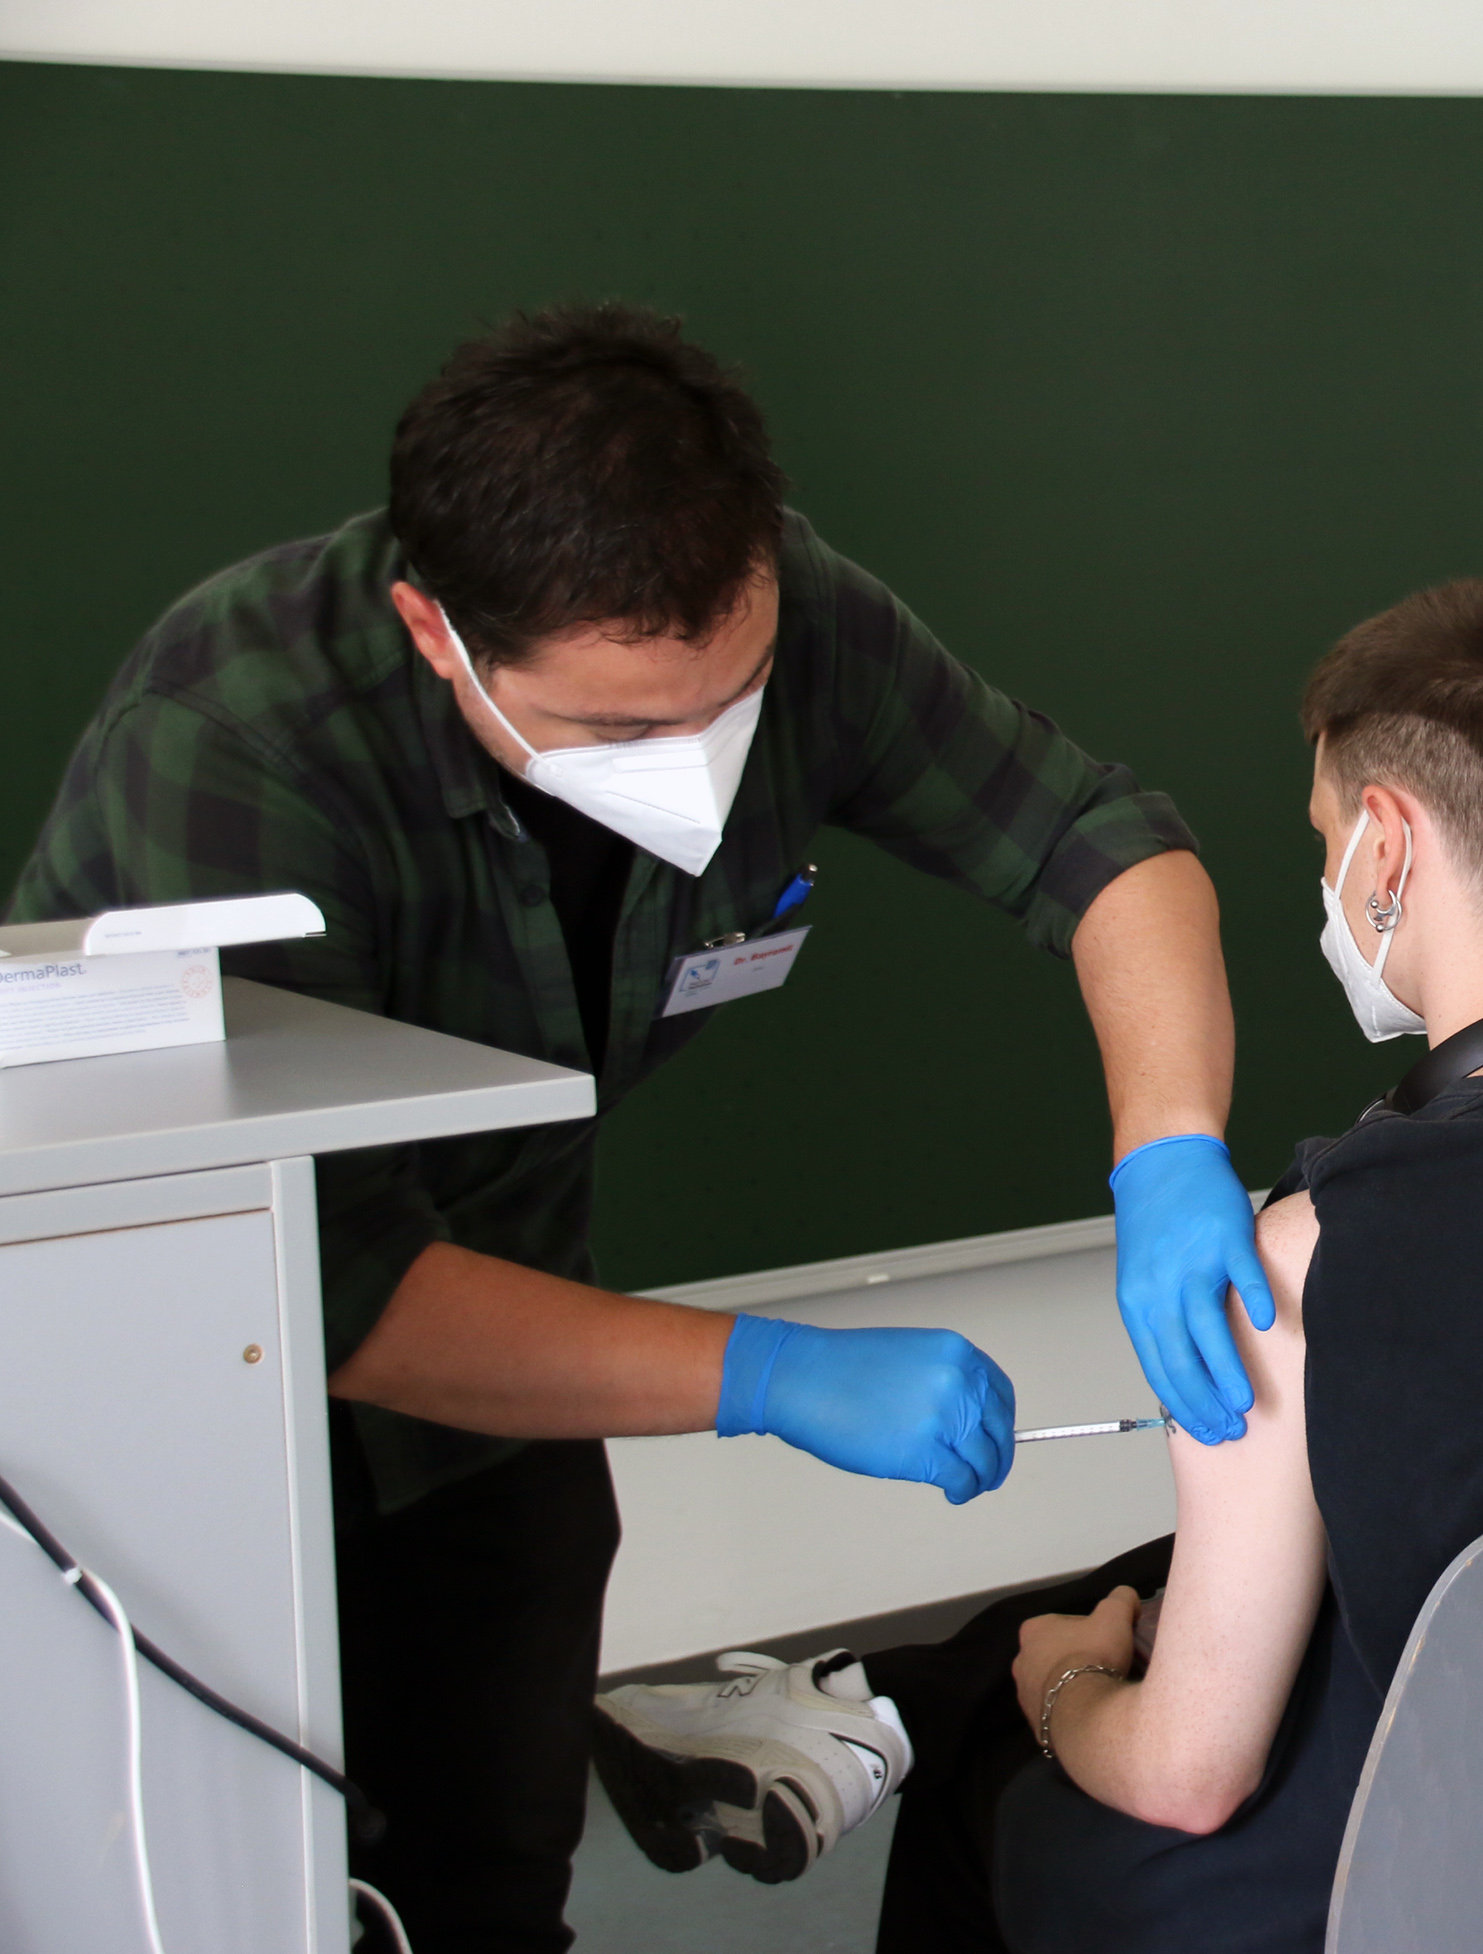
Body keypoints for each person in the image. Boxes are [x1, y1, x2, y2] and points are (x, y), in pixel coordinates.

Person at [6, 303, 1278, 1954]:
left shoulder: (797, 614)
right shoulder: (238, 740)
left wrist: (1168, 1148)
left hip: (507, 1397)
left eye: (730, 701)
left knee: (486, 1868)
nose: (693, 759)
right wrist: (770, 1375)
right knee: (199, 1881)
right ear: (433, 629)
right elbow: (332, 1280)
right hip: (173, 1416)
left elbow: (1100, 843)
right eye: (620, 731)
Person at [590, 577, 1483, 1952]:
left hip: (1444, 1889)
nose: (1324, 885)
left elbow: (1189, 1772)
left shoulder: (1321, 1248)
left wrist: (1062, 1691)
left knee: (1014, 1781)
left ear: (1388, 846)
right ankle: (873, 1703)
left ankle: (899, 1719)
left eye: (1322, 839)